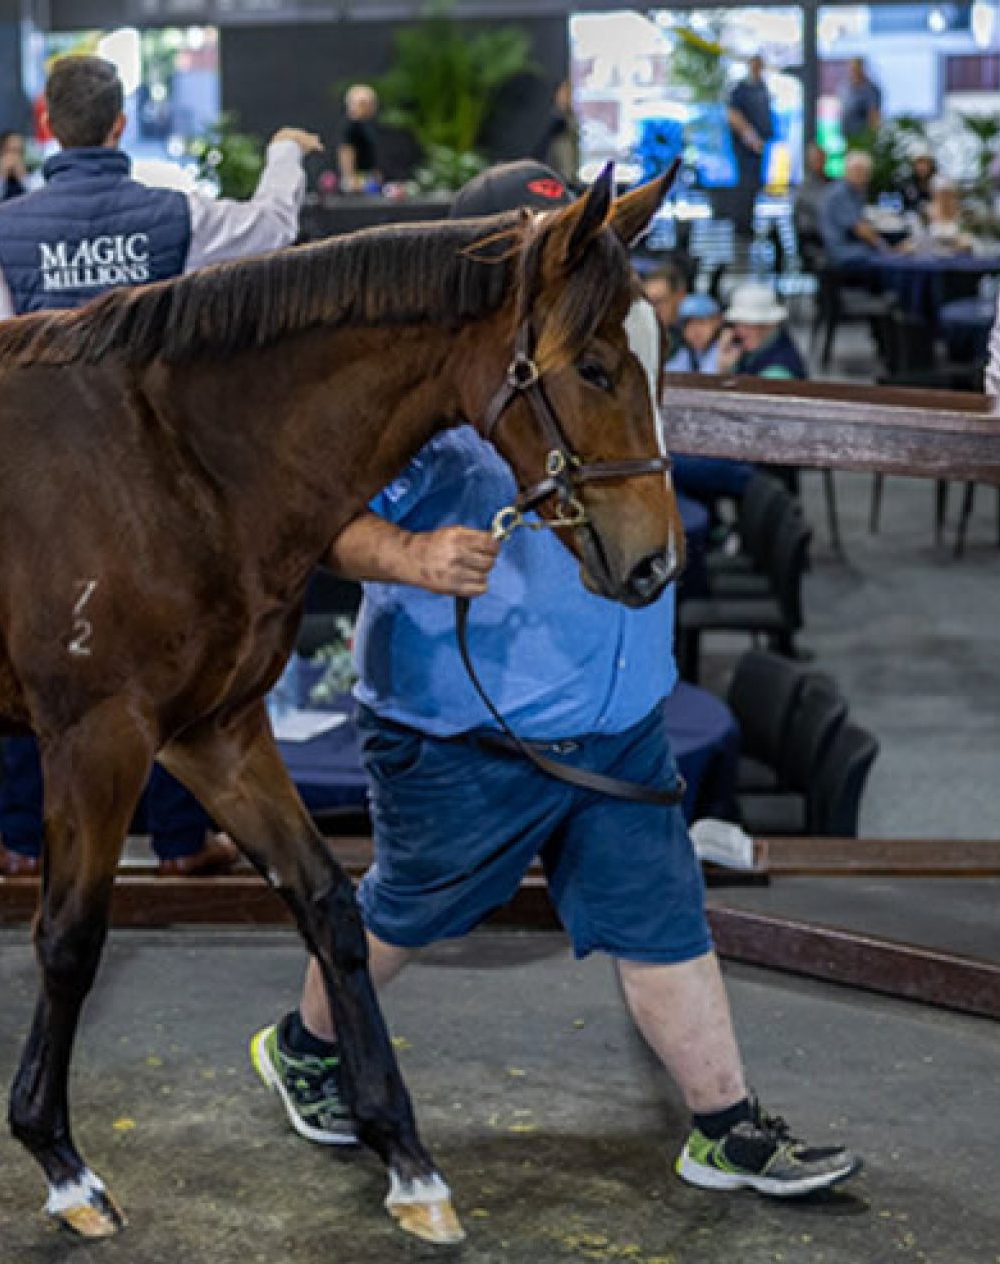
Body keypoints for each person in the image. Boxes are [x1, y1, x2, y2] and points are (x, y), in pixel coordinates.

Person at [250, 158, 859, 1203]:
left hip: (617, 712)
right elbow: (297, 515)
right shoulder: (401, 379)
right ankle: (304, 1044)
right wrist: (409, 555)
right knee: (407, 909)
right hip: (463, 722)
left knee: (663, 918)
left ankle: (725, 1122)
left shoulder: (605, 341)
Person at [0, 53, 317, 877]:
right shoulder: (176, 215)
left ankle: (23, 839)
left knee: (43, 660)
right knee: (168, 661)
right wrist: (285, 153)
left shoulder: (4, 230)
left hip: (46, 493)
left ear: (46, 125)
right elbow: (275, 229)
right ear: (121, 125)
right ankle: (180, 841)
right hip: (153, 489)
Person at [725, 54, 775, 266]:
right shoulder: (740, 90)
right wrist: (750, 136)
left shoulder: (762, 87)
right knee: (745, 186)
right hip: (747, 147)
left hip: (759, 147)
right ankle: (742, 227)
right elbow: (733, 115)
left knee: (754, 186)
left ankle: (748, 223)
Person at [819, 150, 890, 274]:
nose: (863, 175)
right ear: (847, 171)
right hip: (840, 250)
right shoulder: (840, 193)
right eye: (858, 171)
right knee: (887, 260)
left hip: (852, 246)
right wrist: (886, 248)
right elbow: (859, 228)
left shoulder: (856, 192)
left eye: (865, 172)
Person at [717, 283, 807, 380]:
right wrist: (725, 366)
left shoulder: (777, 371)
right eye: (737, 323)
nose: (740, 331)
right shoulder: (752, 350)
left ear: (769, 324)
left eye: (749, 325)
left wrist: (725, 373)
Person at [640, 260, 688, 364]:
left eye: (658, 301)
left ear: (680, 297)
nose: (652, 309)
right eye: (647, 302)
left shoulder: (694, 336)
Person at [664, 293, 725, 374]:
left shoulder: (725, 348)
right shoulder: (685, 352)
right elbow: (669, 374)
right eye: (688, 324)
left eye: (701, 322)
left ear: (716, 322)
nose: (695, 330)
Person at [0, 130, 40, 207]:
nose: (14, 156)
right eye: (11, 150)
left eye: (19, 151)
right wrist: (1, 176)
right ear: (0, 151)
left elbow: (40, 198)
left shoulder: (33, 172)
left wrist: (23, 177)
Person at [338, 84, 381, 192]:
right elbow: (346, 151)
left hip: (367, 177)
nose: (369, 107)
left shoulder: (365, 126)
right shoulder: (351, 127)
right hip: (358, 180)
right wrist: (349, 178)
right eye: (363, 103)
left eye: (371, 103)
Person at [535, 80, 580, 184]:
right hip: (555, 173)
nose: (567, 96)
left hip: (567, 174)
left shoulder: (571, 120)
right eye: (564, 92)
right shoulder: (555, 121)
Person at [792, 142, 833, 244]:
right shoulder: (803, 185)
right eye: (815, 158)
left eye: (821, 158)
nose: (818, 161)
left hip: (833, 231)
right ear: (809, 160)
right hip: (812, 234)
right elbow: (820, 206)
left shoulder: (832, 181)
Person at [840, 57, 882, 140]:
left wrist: (872, 135)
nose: (853, 71)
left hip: (863, 135)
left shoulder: (871, 89)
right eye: (851, 68)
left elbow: (874, 114)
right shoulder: (845, 86)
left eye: (856, 68)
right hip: (846, 133)